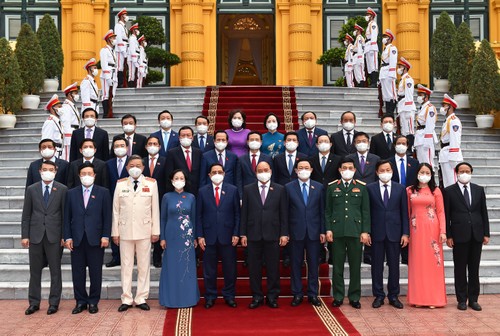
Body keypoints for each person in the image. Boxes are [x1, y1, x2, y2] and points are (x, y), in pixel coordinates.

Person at [112, 155, 160, 312]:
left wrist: (155, 231)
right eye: (131, 165)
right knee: (125, 266)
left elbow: (155, 210)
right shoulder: (120, 185)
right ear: (126, 168)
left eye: (138, 165)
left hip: (144, 231)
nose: (135, 168)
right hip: (125, 231)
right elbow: (115, 210)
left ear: (143, 167)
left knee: (143, 266)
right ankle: (126, 298)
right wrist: (115, 232)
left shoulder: (151, 184)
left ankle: (140, 298)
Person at [64, 162, 111, 314]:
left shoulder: (103, 192)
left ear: (95, 175)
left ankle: (93, 301)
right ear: (79, 176)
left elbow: (107, 217)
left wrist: (105, 235)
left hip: (96, 239)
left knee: (95, 272)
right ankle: (80, 301)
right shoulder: (71, 193)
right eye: (83, 174)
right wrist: (67, 237)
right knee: (77, 272)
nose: (86, 176)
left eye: (89, 174)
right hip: (77, 239)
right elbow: (66, 217)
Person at [22, 161, 68, 315]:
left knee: (55, 271)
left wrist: (64, 236)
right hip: (35, 235)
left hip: (54, 236)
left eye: (51, 169)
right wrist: (25, 235)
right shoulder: (31, 189)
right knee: (35, 271)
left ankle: (54, 303)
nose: (48, 172)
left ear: (56, 171)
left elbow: (65, 215)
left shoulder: (62, 189)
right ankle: (34, 303)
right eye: (45, 169)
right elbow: (26, 214)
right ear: (40, 171)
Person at [240, 161, 288, 309]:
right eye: (260, 170)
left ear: (271, 171)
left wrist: (284, 233)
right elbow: (244, 213)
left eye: (265, 170)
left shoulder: (280, 189)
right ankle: (257, 296)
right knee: (254, 268)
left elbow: (284, 213)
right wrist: (243, 234)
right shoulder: (248, 189)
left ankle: (272, 296)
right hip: (253, 234)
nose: (263, 172)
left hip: (273, 234)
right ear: (256, 173)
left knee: (273, 268)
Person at [325, 157, 370, 309]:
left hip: (355, 232)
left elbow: (365, 211)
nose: (347, 170)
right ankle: (338, 296)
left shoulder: (362, 187)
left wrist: (365, 231)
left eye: (350, 168)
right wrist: (328, 229)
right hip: (337, 232)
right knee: (337, 267)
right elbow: (328, 211)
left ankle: (354, 297)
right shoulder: (332, 187)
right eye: (344, 168)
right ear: (339, 170)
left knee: (355, 266)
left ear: (355, 170)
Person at [445, 162, 490, 311]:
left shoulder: (478, 190)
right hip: (459, 235)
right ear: (456, 173)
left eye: (467, 171)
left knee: (474, 268)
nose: (464, 173)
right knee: (460, 269)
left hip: (476, 234)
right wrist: (449, 235)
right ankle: (462, 299)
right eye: (461, 171)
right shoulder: (449, 191)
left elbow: (483, 212)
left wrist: (486, 233)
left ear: (471, 172)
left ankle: (473, 299)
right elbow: (446, 215)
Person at [366, 160, 409, 309]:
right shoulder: (370, 188)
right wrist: (367, 231)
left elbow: (404, 212)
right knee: (376, 266)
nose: (385, 173)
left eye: (388, 170)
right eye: (382, 170)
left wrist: (405, 233)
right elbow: (367, 212)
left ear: (392, 171)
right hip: (376, 233)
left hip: (395, 233)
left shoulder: (400, 189)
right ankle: (378, 295)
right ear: (377, 172)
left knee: (394, 266)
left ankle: (393, 296)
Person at [197, 163, 240, 308]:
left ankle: (229, 295)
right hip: (208, 236)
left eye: (219, 172)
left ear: (224, 174)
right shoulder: (202, 191)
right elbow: (199, 215)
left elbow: (237, 214)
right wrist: (200, 235)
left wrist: (236, 233)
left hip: (228, 236)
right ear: (209, 175)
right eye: (213, 172)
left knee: (230, 269)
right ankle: (210, 296)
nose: (216, 174)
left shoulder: (233, 190)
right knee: (209, 269)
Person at [407, 163, 447, 308]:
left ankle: (433, 299)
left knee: (433, 264)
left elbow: (441, 212)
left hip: (432, 230)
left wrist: (443, 231)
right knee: (417, 263)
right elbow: (406, 211)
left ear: (431, 175)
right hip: (415, 230)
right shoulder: (409, 191)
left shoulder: (436, 191)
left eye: (427, 172)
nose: (424, 175)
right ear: (417, 173)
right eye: (421, 172)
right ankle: (418, 298)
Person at [286, 159, 325, 307]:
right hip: (295, 231)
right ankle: (297, 294)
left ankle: (313, 294)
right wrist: (285, 232)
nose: (303, 170)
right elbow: (285, 211)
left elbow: (322, 211)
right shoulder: (288, 187)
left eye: (306, 167)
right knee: (295, 264)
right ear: (295, 171)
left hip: (314, 232)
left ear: (311, 170)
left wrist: (322, 230)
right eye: (300, 168)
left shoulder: (319, 187)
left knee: (314, 264)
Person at [159, 169, 200, 308]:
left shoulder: (191, 197)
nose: (179, 180)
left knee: (186, 267)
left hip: (186, 238)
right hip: (170, 236)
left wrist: (194, 237)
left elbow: (194, 218)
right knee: (171, 267)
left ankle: (188, 298)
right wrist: (162, 237)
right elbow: (163, 218)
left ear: (185, 180)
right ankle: (170, 299)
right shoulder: (166, 197)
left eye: (181, 178)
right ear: (172, 180)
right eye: (176, 177)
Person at [390, 135, 419, 265]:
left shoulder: (414, 163)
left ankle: (407, 256)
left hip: (410, 197)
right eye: (398, 143)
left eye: (404, 143)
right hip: (393, 197)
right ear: (394, 145)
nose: (401, 145)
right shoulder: (388, 162)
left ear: (407, 146)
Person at [142, 136, 168, 268]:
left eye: (155, 143)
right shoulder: (141, 162)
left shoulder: (165, 161)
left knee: (158, 227)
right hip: (143, 200)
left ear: (159, 146)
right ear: (146, 146)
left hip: (161, 197)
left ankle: (157, 256)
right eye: (150, 143)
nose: (152, 145)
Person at [104, 136, 129, 268]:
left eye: (122, 146)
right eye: (116, 146)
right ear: (113, 149)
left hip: (130, 200)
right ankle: (116, 256)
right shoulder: (108, 164)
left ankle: (129, 255)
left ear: (127, 147)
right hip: (113, 199)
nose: (119, 148)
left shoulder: (133, 163)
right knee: (115, 227)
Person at [165, 126, 202, 196]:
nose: (186, 137)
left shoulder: (198, 152)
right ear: (179, 138)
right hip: (179, 190)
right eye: (183, 135)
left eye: (188, 135)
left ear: (192, 137)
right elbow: (169, 174)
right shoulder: (172, 153)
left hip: (196, 190)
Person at [439, 94, 463, 188]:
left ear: (450, 107)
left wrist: (454, 158)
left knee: (453, 183)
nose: (442, 108)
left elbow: (455, 139)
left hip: (451, 156)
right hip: (445, 154)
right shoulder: (447, 121)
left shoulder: (454, 121)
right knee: (447, 184)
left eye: (444, 105)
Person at [414, 84, 438, 166]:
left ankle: (430, 178)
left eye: (421, 95)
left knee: (428, 162)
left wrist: (427, 141)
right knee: (421, 162)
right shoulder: (422, 107)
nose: (419, 97)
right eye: (418, 95)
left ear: (426, 97)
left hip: (425, 137)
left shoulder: (430, 108)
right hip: (420, 136)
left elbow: (430, 125)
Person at [59, 83, 81, 161]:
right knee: (67, 157)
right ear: (69, 94)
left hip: (74, 132)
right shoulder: (66, 107)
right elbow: (65, 123)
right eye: (75, 93)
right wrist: (68, 138)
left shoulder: (71, 105)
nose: (77, 95)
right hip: (70, 134)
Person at [379, 29, 398, 115]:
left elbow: (393, 61)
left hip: (389, 72)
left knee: (391, 94)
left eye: (385, 37)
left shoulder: (392, 48)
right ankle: (387, 111)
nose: (384, 39)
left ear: (390, 39)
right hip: (383, 72)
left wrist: (392, 74)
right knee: (386, 94)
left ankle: (391, 112)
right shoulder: (385, 49)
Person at [100, 30, 118, 118]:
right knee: (106, 94)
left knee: (112, 94)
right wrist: (107, 77)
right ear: (108, 39)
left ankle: (110, 112)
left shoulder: (113, 51)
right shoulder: (104, 50)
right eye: (113, 38)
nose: (115, 39)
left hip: (113, 74)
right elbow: (104, 65)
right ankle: (105, 113)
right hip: (106, 75)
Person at [396, 57, 416, 137]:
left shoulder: (408, 80)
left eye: (400, 67)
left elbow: (409, 94)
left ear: (405, 68)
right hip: (402, 105)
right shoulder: (403, 79)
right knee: (404, 129)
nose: (398, 69)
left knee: (409, 130)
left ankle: (410, 148)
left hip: (407, 107)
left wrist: (408, 109)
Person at [41, 94, 64, 159]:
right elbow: (46, 140)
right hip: (52, 153)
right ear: (52, 108)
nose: (61, 109)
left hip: (59, 151)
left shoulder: (57, 121)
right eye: (59, 107)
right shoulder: (50, 122)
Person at [114, 8, 128, 88]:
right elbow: (118, 38)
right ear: (121, 16)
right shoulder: (118, 26)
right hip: (120, 50)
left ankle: (122, 83)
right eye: (125, 15)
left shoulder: (124, 27)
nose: (126, 16)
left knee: (122, 66)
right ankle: (119, 83)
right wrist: (122, 50)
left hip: (125, 47)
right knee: (119, 66)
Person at [365, 7, 379, 87]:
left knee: (373, 65)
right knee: (370, 66)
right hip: (368, 46)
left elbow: (374, 36)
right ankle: (372, 82)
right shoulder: (369, 25)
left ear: (372, 16)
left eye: (368, 15)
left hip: (371, 46)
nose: (366, 16)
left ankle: (374, 82)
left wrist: (372, 47)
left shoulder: (373, 24)